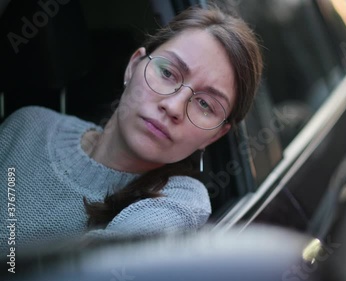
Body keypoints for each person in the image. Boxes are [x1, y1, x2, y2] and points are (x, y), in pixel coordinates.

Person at [0, 5, 263, 254]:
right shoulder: (28, 125)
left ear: (216, 135)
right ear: (134, 66)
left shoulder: (180, 204)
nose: (173, 107)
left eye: (205, 104)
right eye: (168, 73)